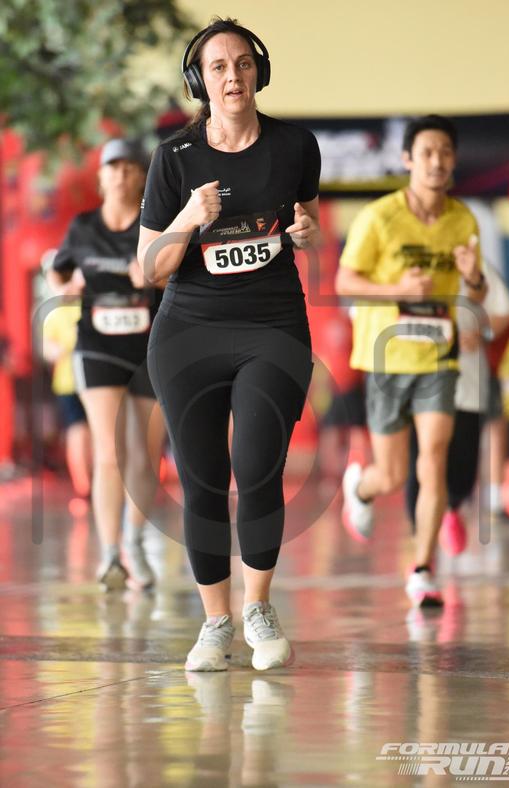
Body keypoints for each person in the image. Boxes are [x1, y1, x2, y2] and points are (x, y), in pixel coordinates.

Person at [138, 18, 320, 670]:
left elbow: (306, 221)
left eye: (242, 63)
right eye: (218, 66)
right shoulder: (175, 158)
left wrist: (309, 235)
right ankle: (216, 623)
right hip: (188, 335)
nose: (233, 76)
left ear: (258, 72)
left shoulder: (295, 146)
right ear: (200, 81)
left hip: (273, 327)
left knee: (258, 464)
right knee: (203, 480)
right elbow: (148, 268)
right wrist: (188, 218)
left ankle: (259, 609)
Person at [336, 115, 486, 607]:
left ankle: (422, 569)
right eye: (427, 152)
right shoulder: (379, 217)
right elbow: (344, 282)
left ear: (454, 160)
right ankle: (362, 488)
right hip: (385, 356)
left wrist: (474, 278)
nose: (437, 161)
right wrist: (397, 289)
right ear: (407, 160)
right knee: (393, 474)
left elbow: (477, 294)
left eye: (445, 152)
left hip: (438, 357)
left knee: (434, 461)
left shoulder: (463, 220)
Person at [48, 138, 166, 591]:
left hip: (150, 349)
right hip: (97, 347)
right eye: (112, 167)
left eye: (129, 167)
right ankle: (110, 555)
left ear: (142, 177)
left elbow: (181, 274)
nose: (120, 175)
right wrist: (63, 285)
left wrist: (153, 275)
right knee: (109, 453)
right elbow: (57, 269)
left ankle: (135, 541)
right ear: (100, 177)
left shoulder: (155, 225)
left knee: (145, 454)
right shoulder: (82, 227)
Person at [405, 259, 509, 553]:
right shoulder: (403, 260)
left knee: (463, 463)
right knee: (422, 457)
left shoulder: (474, 264)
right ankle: (420, 545)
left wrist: (480, 332)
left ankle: (453, 506)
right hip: (420, 376)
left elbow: (505, 311)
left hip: (467, 381)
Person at [42, 298, 92, 501]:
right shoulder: (59, 314)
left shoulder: (60, 313)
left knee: (83, 432)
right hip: (74, 383)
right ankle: (84, 483)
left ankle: (86, 484)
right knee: (81, 432)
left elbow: (49, 351)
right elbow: (49, 351)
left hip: (83, 382)